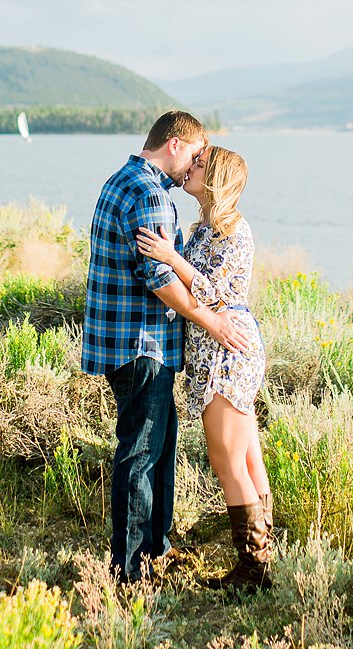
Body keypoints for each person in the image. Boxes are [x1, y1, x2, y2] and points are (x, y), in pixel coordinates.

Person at [83, 110, 252, 583]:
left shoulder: (123, 179)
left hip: (125, 340)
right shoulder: (151, 194)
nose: (195, 166)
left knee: (155, 447)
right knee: (141, 454)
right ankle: (132, 570)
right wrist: (212, 323)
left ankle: (156, 548)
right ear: (175, 144)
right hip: (144, 343)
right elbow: (160, 280)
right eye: (196, 155)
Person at [136, 147, 272, 588]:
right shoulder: (208, 227)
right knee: (246, 456)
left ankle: (253, 570)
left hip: (226, 350)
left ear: (214, 178)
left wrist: (171, 258)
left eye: (198, 165)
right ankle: (262, 561)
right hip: (219, 346)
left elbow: (213, 293)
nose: (189, 169)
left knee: (227, 459)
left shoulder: (234, 231)